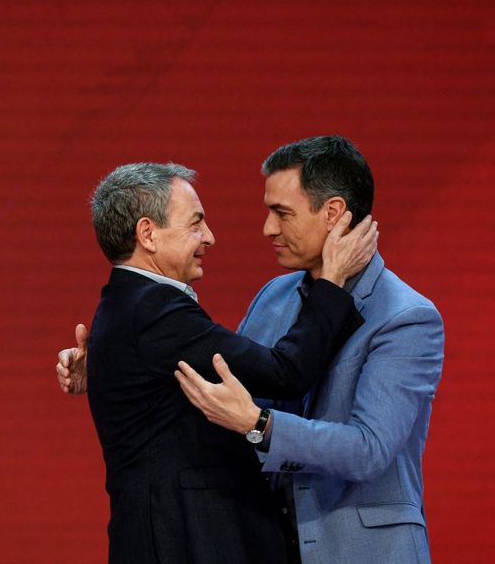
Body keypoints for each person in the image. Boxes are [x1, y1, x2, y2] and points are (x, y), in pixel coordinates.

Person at [72, 161, 377, 564]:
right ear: (148, 234)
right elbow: (285, 372)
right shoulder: (155, 310)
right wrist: (332, 282)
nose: (209, 237)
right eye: (195, 223)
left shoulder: (124, 304)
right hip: (182, 542)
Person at [174, 135, 445, 563]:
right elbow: (219, 392)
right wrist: (107, 362)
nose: (268, 228)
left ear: (333, 213)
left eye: (282, 213)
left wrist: (260, 425)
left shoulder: (406, 317)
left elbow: (368, 450)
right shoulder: (273, 297)